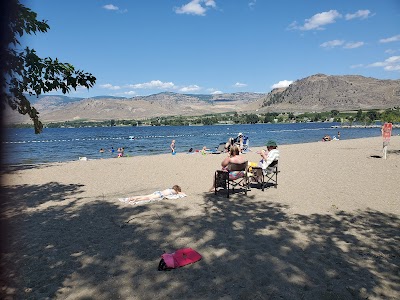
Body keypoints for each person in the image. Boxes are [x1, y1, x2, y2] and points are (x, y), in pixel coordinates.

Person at [119, 185, 186, 204]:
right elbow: (182, 194)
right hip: (160, 195)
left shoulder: (169, 189)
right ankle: (135, 199)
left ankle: (131, 198)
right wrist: (180, 192)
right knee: (148, 198)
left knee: (146, 196)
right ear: (177, 190)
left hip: (158, 192)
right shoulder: (174, 191)